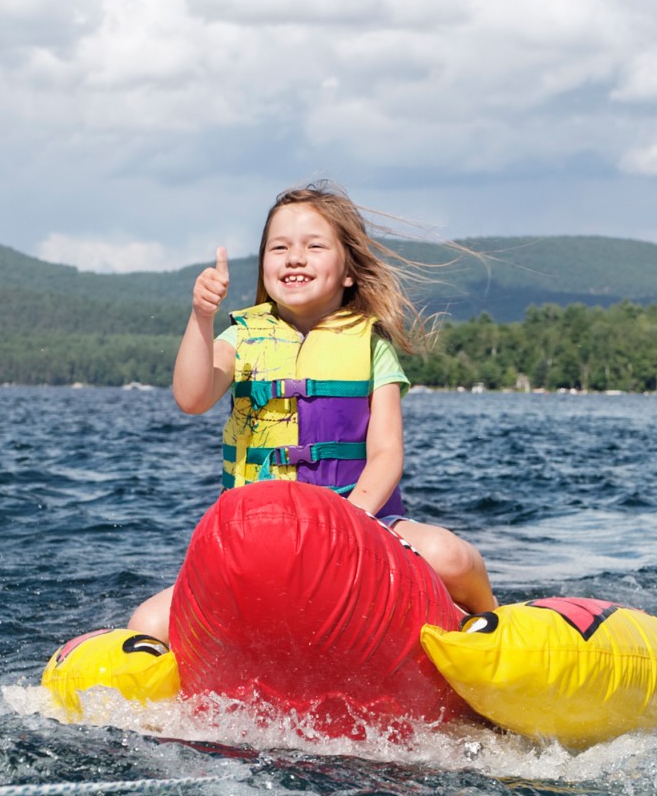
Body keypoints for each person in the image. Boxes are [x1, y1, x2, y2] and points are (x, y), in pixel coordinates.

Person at [128, 182, 495, 639]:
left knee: (449, 555)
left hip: (364, 524)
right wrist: (201, 318)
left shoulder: (370, 347)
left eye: (314, 246)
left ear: (347, 272)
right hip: (259, 540)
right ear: (263, 267)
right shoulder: (241, 339)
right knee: (146, 623)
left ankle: (489, 622)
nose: (294, 257)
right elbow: (192, 397)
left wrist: (350, 524)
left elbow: (386, 454)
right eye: (279, 247)